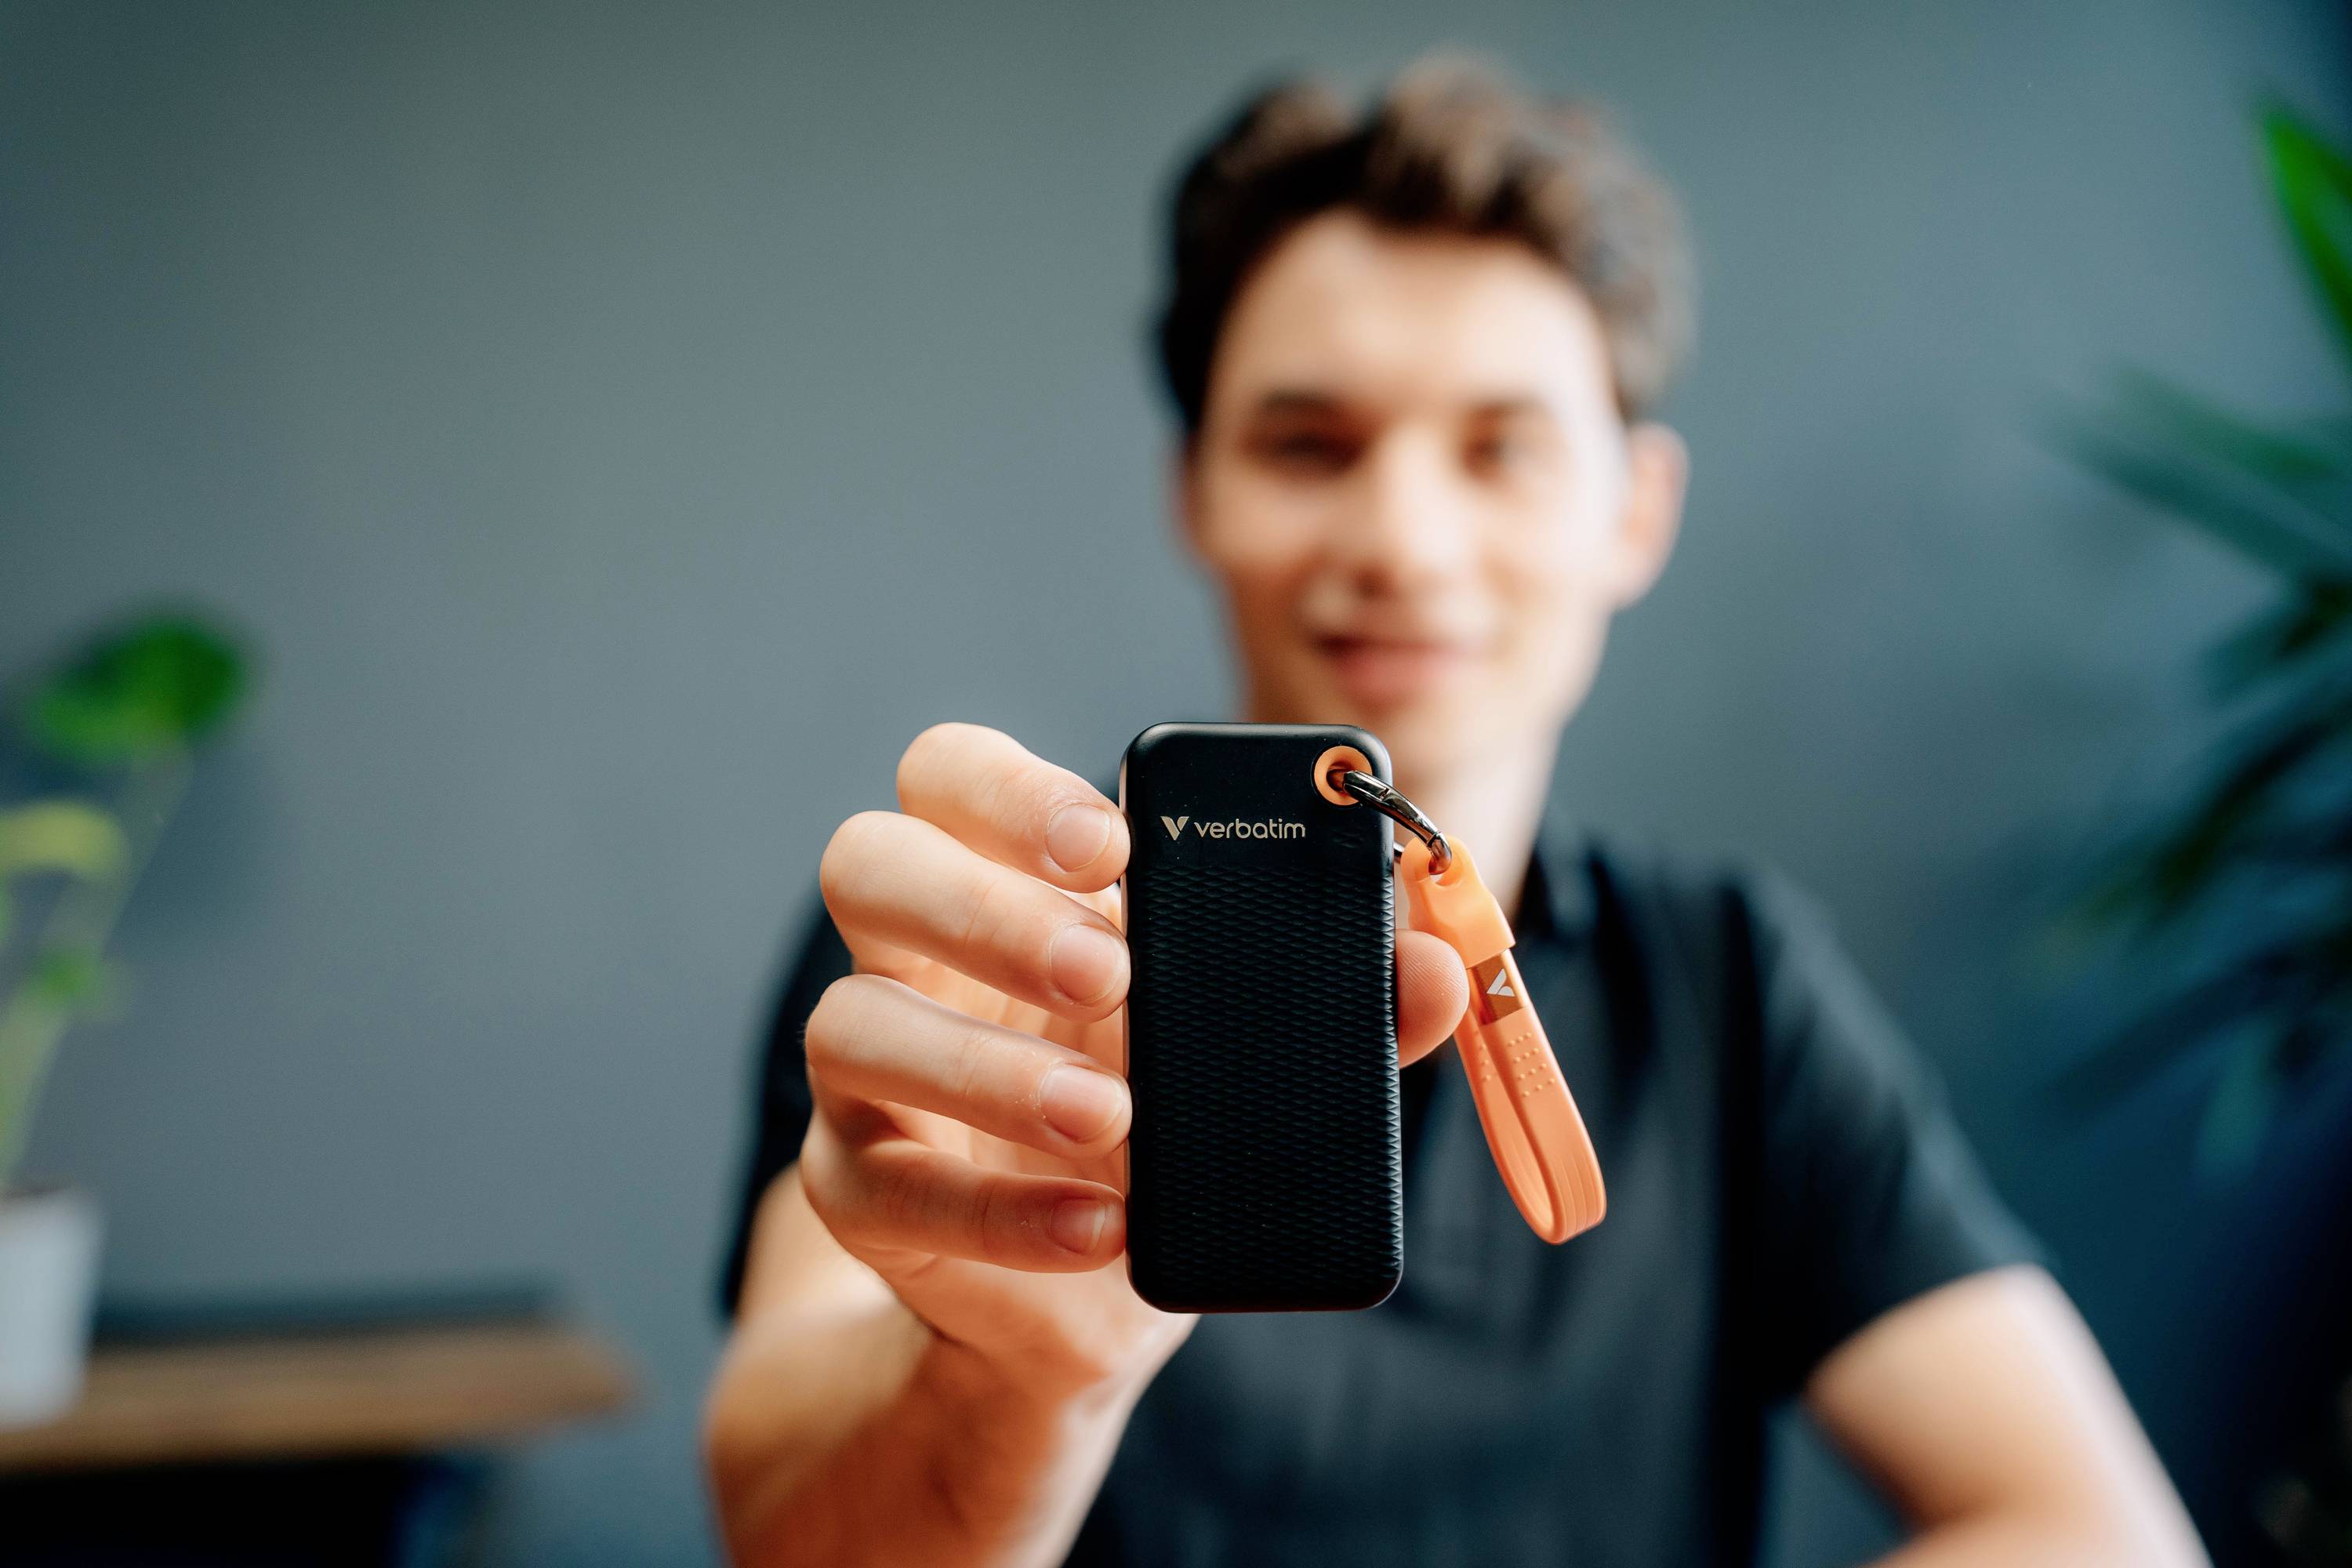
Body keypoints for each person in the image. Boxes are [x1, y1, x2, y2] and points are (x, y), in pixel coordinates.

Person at [702, 56, 2208, 1568]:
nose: (1404, 540)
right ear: (1194, 492)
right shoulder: (982, 960)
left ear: (1637, 511)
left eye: (1502, 448)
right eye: (1310, 445)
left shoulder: (1727, 985)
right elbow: (777, 1541)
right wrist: (1025, 1381)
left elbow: (2101, 1535)